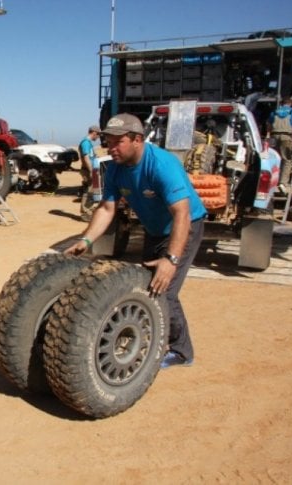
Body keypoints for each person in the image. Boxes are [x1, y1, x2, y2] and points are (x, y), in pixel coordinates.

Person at [65, 113, 207, 369]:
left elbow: (182, 214)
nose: (111, 147)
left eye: (118, 142)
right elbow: (107, 209)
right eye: (108, 141)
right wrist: (85, 241)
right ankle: (152, 335)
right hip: (155, 229)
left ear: (137, 140)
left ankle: (181, 351)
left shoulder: (162, 165)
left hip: (185, 226)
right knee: (145, 285)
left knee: (163, 289)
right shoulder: (116, 170)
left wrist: (171, 259)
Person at [266, 96, 292, 194]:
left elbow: (269, 126)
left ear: (281, 103)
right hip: (286, 137)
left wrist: (268, 137)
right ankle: (282, 183)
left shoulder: (274, 112)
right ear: (290, 103)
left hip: (274, 137)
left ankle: (269, 180)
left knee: (273, 159)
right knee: (286, 159)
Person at [78, 125, 102, 221]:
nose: (99, 137)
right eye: (98, 135)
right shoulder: (85, 143)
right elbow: (86, 158)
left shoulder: (88, 143)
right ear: (94, 133)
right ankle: (85, 213)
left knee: (92, 191)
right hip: (88, 170)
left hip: (91, 169)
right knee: (88, 191)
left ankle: (89, 211)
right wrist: (91, 171)